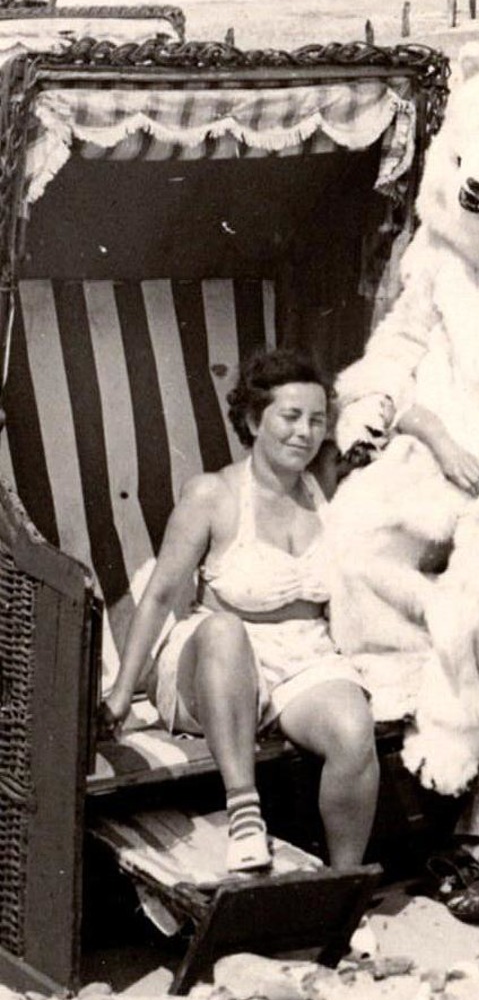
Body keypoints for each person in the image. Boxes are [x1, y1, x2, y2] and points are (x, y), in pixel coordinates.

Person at [98, 348, 379, 874]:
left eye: (317, 420)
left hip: (301, 657)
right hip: (212, 665)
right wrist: (119, 696)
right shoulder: (214, 495)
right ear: (254, 420)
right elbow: (158, 596)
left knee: (353, 732)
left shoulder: (326, 489)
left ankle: (345, 890)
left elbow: (383, 406)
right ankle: (244, 812)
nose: (304, 432)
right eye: (289, 416)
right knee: (224, 629)